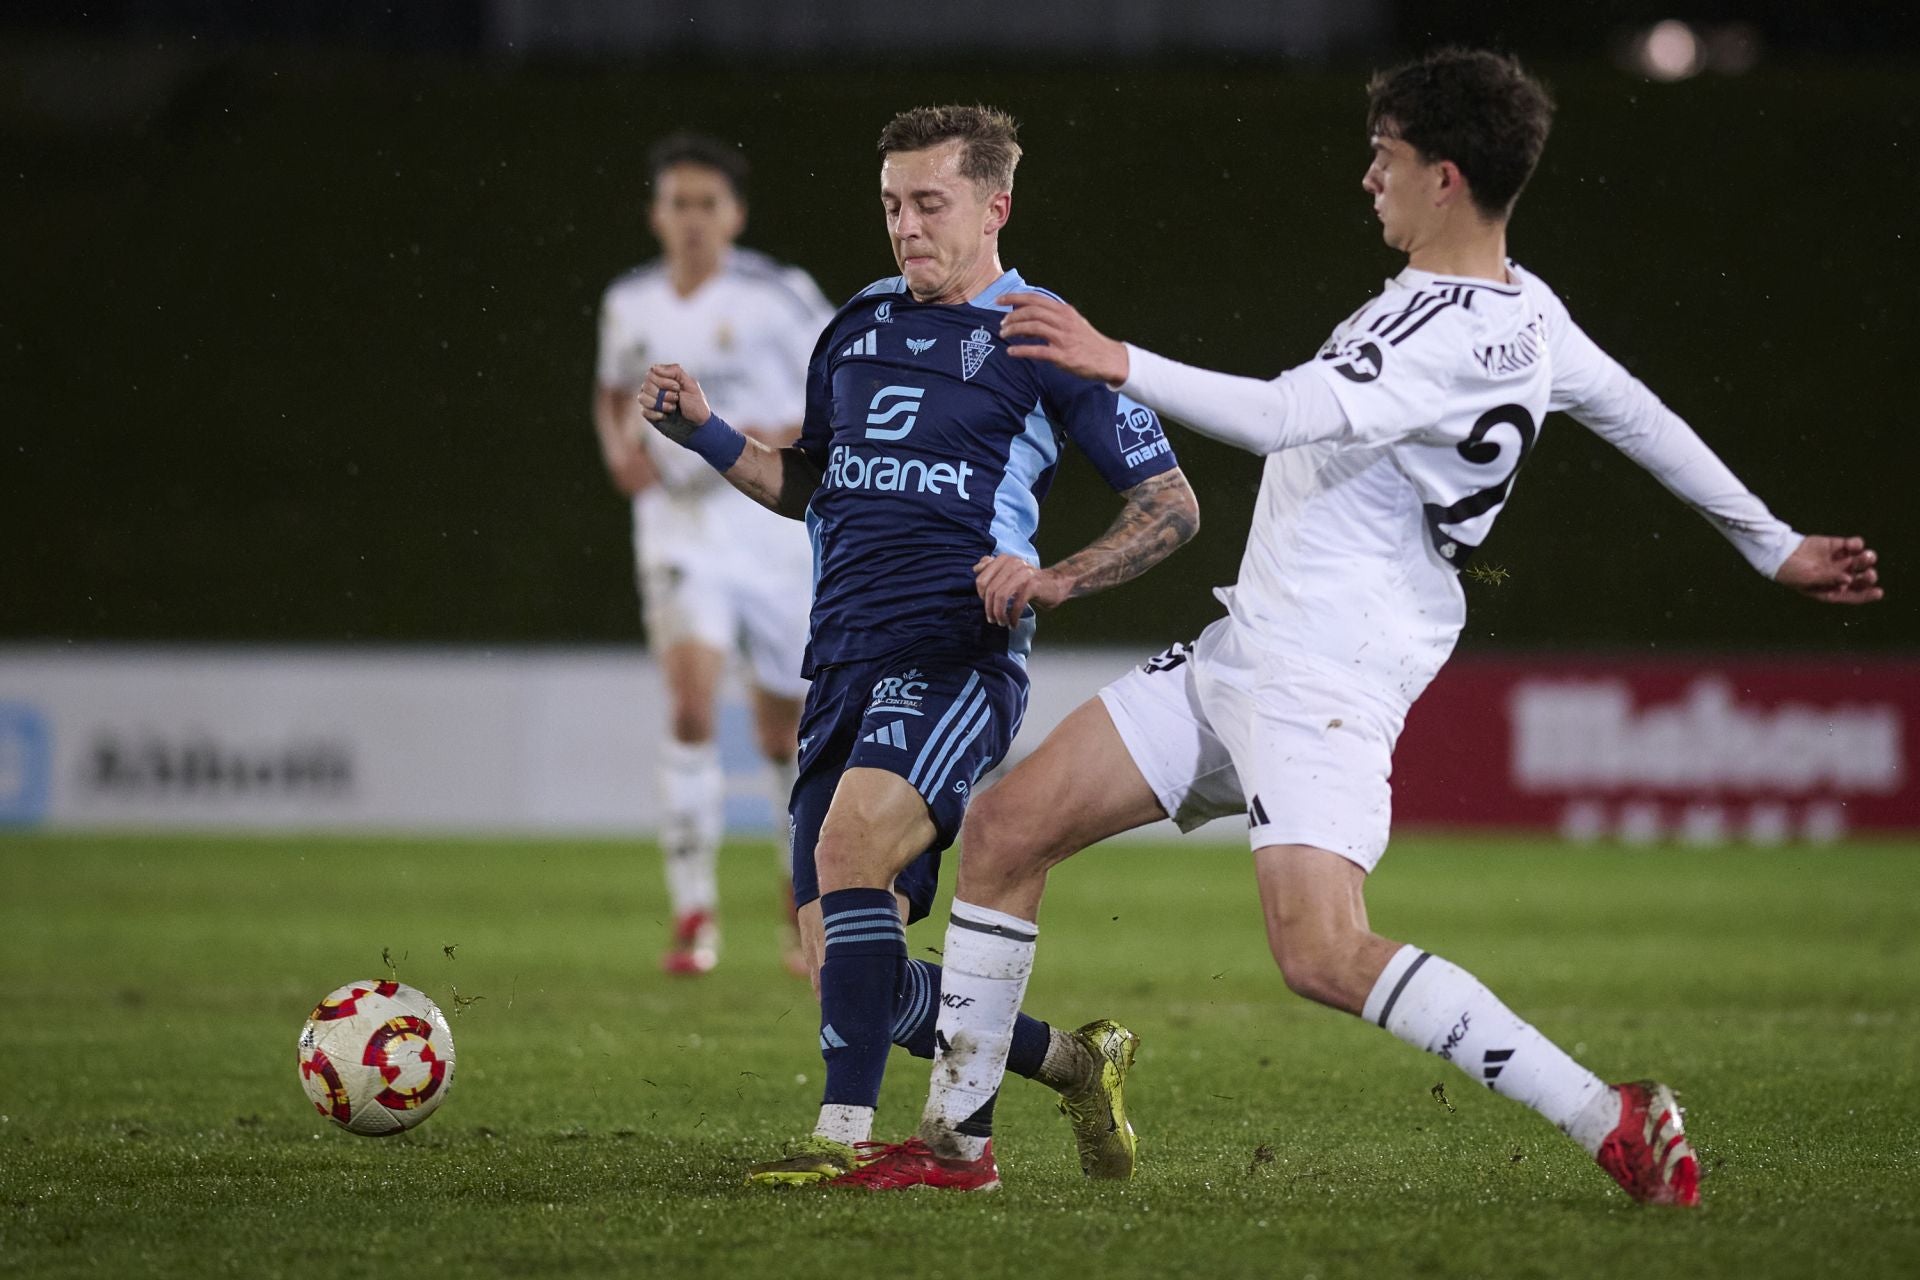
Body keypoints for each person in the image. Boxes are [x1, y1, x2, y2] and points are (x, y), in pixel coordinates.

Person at [843, 49, 1884, 1198]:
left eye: (1383, 156)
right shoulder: (1525, 312)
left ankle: (1608, 1111)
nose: (1365, 178)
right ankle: (957, 1148)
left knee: (1324, 952)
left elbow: (1287, 413)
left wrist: (1115, 358)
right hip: (1255, 644)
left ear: (1445, 176)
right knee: (1004, 828)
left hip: (1322, 669)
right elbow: (1636, 412)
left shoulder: (1436, 328)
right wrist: (1770, 540)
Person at [638, 104, 1201, 1188]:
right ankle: (1075, 1060)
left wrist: (1054, 576)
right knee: (844, 960)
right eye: (893, 205)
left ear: (995, 207)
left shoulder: (1043, 337)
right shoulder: (854, 325)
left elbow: (1171, 505)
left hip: (954, 654)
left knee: (850, 854)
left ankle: (841, 1137)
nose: (906, 227)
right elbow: (814, 485)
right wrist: (707, 433)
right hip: (839, 655)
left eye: (930, 204)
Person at [594, 134, 833, 976]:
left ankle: (794, 899)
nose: (692, 219)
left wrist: (762, 436)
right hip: (679, 529)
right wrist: (618, 449)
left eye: (707, 204)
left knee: (785, 733)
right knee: (691, 709)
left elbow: (842, 386)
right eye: (678, 203)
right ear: (657, 213)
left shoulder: (779, 295)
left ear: (733, 213)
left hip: (767, 523)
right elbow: (614, 390)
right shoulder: (628, 301)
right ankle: (694, 915)